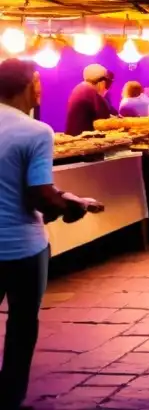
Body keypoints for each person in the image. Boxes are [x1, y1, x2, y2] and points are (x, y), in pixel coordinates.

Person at [0, 59, 104, 409]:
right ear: (29, 85)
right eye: (38, 81)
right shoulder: (36, 131)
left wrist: (66, 198)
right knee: (22, 323)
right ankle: (10, 396)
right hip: (21, 247)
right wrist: (72, 207)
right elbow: (39, 193)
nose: (41, 88)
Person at [65, 64, 114, 136]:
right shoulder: (92, 93)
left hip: (73, 138)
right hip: (83, 142)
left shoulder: (79, 88)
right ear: (102, 82)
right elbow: (106, 123)